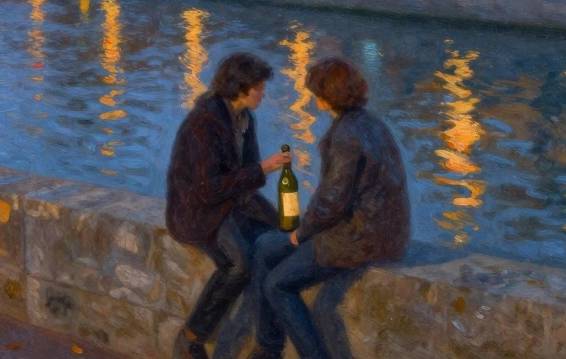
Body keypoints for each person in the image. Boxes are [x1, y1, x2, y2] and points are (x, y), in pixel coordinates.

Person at [249, 57, 410, 359]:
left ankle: (297, 353)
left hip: (356, 239)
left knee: (277, 285)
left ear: (327, 96)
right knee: (264, 247)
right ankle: (268, 348)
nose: (313, 97)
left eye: (316, 92)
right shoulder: (370, 123)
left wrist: (301, 233)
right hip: (381, 233)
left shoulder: (346, 137)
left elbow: (331, 202)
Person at [166, 52, 290, 359]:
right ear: (241, 88)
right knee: (239, 264)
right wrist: (262, 169)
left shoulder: (247, 118)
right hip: (197, 211)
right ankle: (192, 337)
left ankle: (267, 347)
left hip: (229, 203)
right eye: (260, 88)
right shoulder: (204, 123)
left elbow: (246, 177)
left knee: (281, 239)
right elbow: (209, 190)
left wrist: (282, 218)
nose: (264, 94)